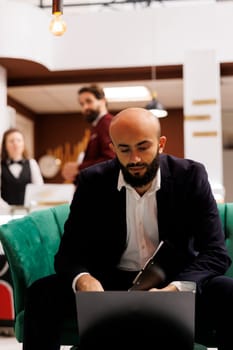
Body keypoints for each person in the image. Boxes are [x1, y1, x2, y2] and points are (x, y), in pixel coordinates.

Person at [23, 107, 233, 350]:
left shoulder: (190, 175)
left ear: (161, 144)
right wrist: (84, 279)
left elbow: (216, 252)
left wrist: (176, 289)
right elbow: (68, 254)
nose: (134, 159)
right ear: (113, 148)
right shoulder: (93, 181)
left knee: (228, 291)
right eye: (124, 149)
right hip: (108, 285)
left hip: (175, 282)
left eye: (143, 147)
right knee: (42, 293)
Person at [61, 84, 115, 184]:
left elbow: (111, 159)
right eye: (82, 104)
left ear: (103, 101)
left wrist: (78, 167)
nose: (85, 107)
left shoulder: (107, 123)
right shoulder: (97, 126)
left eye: (89, 101)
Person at [0, 127, 44, 207]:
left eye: (19, 140)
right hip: (4, 212)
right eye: (11, 141)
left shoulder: (32, 163)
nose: (15, 144)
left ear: (23, 144)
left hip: (29, 211)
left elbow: (39, 189)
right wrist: (7, 208)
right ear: (5, 145)